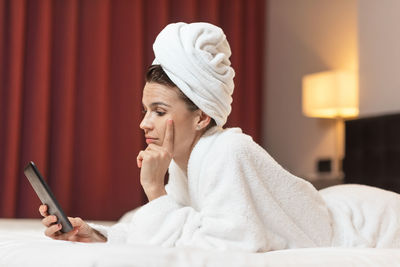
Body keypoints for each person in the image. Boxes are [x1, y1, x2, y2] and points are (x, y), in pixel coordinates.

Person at [39, 22, 400, 251]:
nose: (144, 124)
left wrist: (154, 191)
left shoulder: (230, 149)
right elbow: (175, 233)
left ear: (202, 116)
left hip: (368, 220)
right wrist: (97, 235)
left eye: (159, 112)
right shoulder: (186, 161)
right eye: (145, 110)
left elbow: (230, 243)